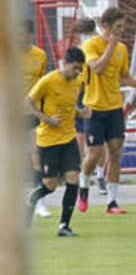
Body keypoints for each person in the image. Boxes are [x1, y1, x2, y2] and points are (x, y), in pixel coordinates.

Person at [77, 7, 136, 214]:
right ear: (106, 27)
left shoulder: (122, 48)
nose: (122, 30)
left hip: (114, 107)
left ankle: (112, 202)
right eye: (118, 27)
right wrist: (111, 45)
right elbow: (98, 68)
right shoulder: (91, 44)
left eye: (123, 26)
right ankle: (83, 184)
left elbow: (124, 76)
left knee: (115, 152)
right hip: (94, 107)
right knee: (94, 153)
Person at [26, 47, 91, 236]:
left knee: (73, 180)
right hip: (48, 141)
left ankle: (64, 226)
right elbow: (28, 102)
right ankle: (31, 198)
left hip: (68, 138)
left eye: (81, 69)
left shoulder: (77, 83)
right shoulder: (48, 81)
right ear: (66, 63)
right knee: (50, 185)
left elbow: (70, 106)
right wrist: (46, 119)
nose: (78, 72)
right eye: (76, 68)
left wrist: (81, 112)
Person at [72, 17, 108, 195]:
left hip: (96, 95)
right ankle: (83, 175)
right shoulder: (78, 51)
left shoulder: (99, 47)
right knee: (81, 139)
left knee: (98, 143)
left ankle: (100, 176)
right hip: (81, 94)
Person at [21, 19, 51, 218]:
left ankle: (39, 202)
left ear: (30, 34)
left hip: (30, 113)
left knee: (35, 155)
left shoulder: (39, 55)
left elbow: (43, 85)